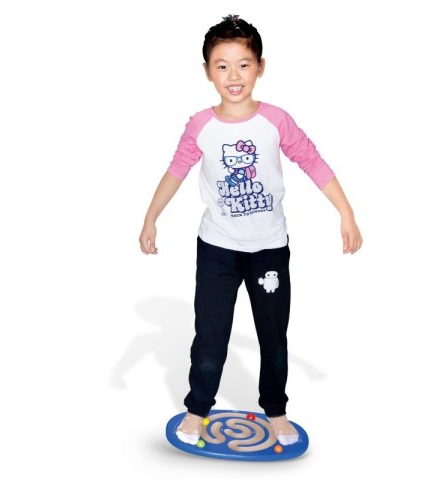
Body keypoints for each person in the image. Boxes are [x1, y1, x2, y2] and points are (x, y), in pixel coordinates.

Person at [139, 14, 362, 446]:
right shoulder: (200, 125)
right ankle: (197, 409)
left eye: (243, 64)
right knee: (211, 335)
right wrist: (151, 218)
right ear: (207, 71)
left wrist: (346, 213)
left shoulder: (276, 120)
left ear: (261, 66)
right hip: (217, 248)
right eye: (222, 66)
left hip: (269, 249)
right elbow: (176, 170)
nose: (233, 75)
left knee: (272, 335)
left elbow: (312, 161)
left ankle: (276, 410)